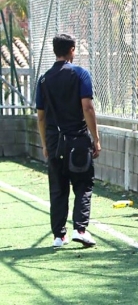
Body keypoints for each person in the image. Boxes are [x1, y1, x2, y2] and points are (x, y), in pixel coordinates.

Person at [36, 33, 101, 248]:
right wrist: (96, 138)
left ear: (55, 50)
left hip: (55, 141)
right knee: (83, 184)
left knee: (58, 187)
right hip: (77, 139)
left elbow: (41, 116)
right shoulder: (81, 74)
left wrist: (45, 144)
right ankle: (80, 229)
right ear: (72, 49)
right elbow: (87, 107)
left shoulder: (44, 79)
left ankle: (58, 235)